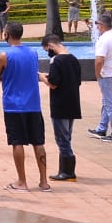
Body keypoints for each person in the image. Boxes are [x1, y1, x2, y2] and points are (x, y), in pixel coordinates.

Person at [0, 22, 49, 192]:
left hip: (13, 105)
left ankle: (22, 181)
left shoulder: (4, 55)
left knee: (17, 142)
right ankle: (44, 181)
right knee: (38, 142)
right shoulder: (33, 52)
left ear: (7, 34)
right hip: (33, 104)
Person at [40, 33, 81, 181]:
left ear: (51, 45)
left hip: (60, 105)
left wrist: (42, 77)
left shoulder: (56, 60)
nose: (48, 52)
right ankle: (64, 169)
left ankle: (68, 172)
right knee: (67, 137)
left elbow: (53, 84)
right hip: (73, 103)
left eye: (47, 49)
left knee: (62, 139)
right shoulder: (74, 59)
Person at [87, 12, 112, 142]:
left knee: (111, 105)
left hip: (109, 75)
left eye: (97, 24)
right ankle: (101, 128)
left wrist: (97, 74)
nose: (96, 27)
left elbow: (99, 60)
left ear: (101, 25)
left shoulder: (104, 39)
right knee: (108, 101)